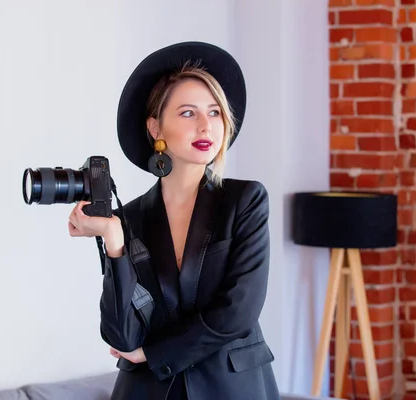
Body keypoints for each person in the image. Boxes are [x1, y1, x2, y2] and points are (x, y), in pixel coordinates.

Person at [68, 41, 280, 400]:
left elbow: (238, 311)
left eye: (214, 112)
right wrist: (114, 243)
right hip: (150, 391)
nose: (205, 126)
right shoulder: (129, 218)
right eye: (187, 113)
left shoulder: (245, 201)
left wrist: (156, 353)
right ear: (156, 128)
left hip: (232, 389)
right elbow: (122, 337)